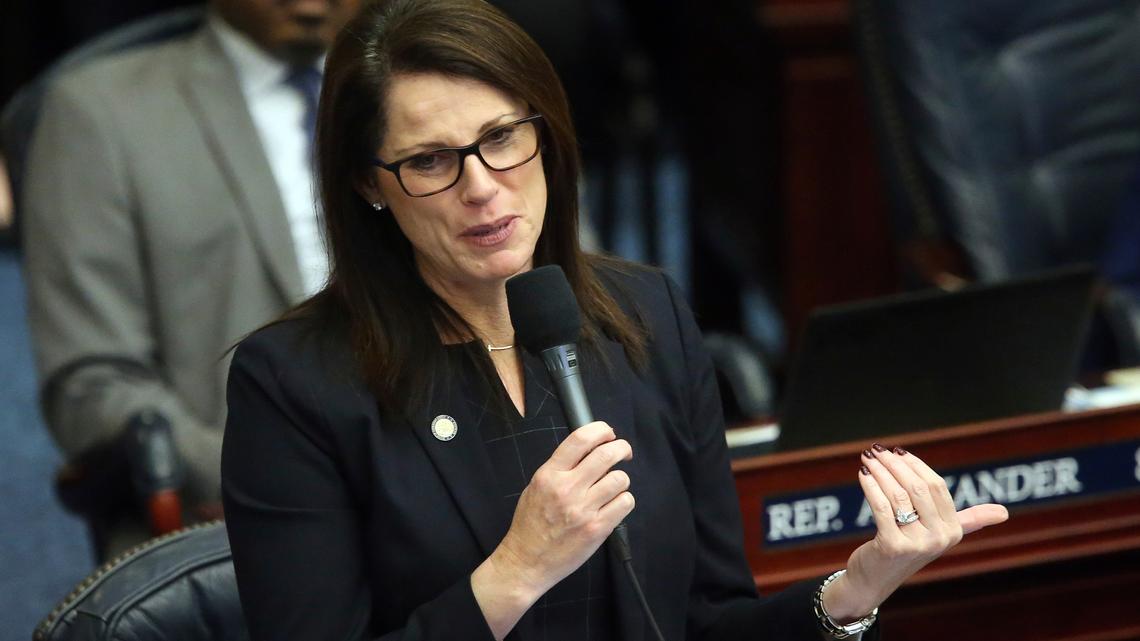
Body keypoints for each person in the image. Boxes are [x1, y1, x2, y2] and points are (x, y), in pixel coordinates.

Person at [221, 1, 1010, 639]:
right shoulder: (296, 382)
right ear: (369, 184)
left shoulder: (645, 315)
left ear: (547, 136)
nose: (483, 186)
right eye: (430, 160)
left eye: (502, 138)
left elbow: (708, 619)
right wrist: (516, 569)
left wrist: (853, 589)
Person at [21, 0, 361, 553]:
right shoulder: (100, 110)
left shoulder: (430, 92)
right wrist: (278, 481)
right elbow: (92, 382)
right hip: (223, 527)